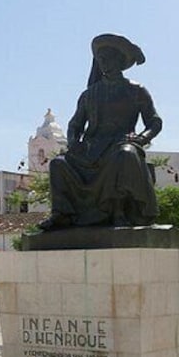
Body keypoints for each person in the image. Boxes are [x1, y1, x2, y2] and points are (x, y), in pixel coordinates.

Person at [40, 34, 162, 230]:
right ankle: (62, 213)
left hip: (122, 143)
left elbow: (154, 122)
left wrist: (141, 138)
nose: (103, 63)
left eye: (107, 58)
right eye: (100, 60)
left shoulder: (136, 90)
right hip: (91, 149)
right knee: (58, 164)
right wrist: (74, 143)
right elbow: (75, 125)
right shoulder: (89, 94)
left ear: (119, 60)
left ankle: (119, 211)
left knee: (125, 155)